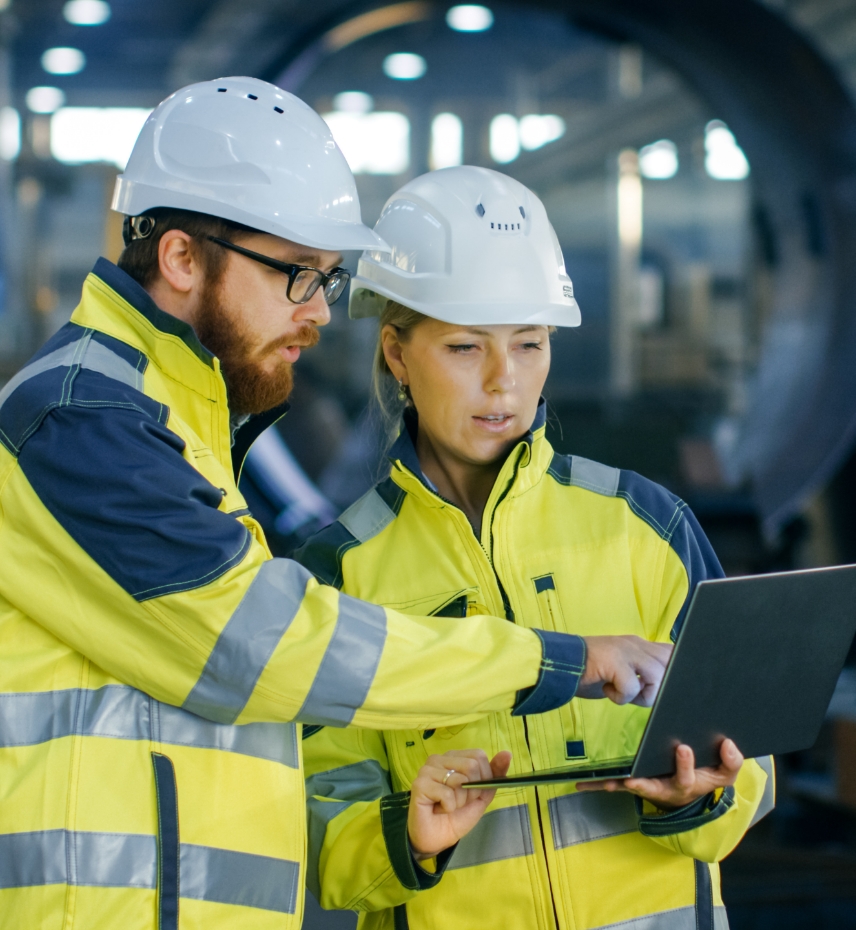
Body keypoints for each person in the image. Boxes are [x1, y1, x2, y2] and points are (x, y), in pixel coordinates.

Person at [0, 80, 671, 930]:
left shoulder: (175, 418)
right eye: (297, 275)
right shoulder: (82, 417)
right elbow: (261, 646)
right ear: (179, 258)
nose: (320, 310)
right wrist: (551, 661)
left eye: (327, 277)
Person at [296, 166, 775, 930]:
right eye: (463, 347)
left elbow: (755, 754)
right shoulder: (340, 574)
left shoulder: (646, 525)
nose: (503, 382)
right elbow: (318, 828)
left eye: (529, 343)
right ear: (395, 354)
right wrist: (408, 837)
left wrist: (708, 793)